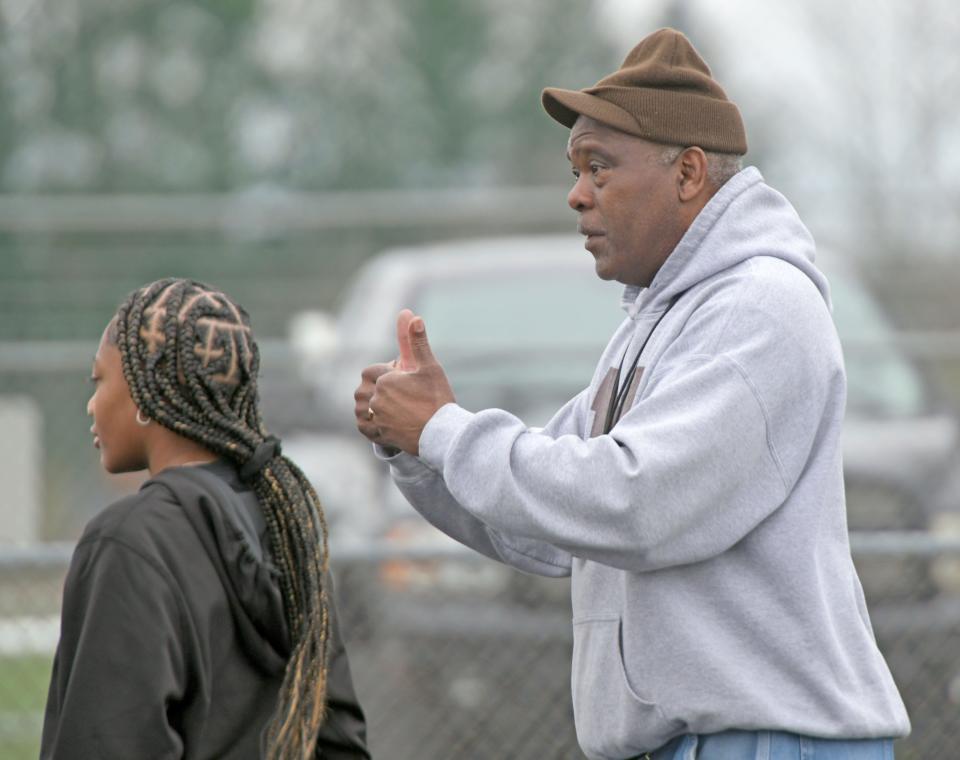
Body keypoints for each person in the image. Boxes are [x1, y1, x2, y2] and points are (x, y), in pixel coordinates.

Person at [354, 27, 910, 760]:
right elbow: (552, 523)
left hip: (767, 743)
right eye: (577, 168)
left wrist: (446, 431)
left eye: (600, 166)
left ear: (687, 174)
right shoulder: (658, 323)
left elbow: (636, 503)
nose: (577, 193)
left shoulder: (761, 307)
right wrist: (419, 448)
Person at [42, 278, 370, 759]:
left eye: (100, 381)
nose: (92, 405)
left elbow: (108, 740)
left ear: (144, 392)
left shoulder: (130, 541)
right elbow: (340, 740)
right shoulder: (284, 525)